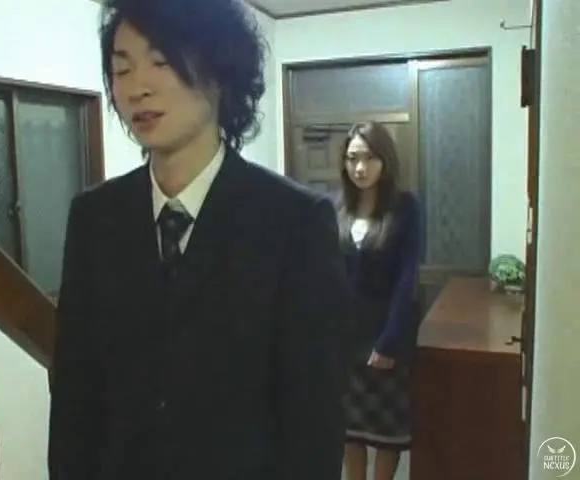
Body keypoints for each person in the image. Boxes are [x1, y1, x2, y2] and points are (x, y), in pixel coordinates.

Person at [47, 0, 352, 479]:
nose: (137, 87)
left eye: (161, 61)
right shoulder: (93, 217)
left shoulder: (294, 221)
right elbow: (74, 396)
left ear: (219, 70)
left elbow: (313, 420)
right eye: (121, 69)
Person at [338, 122, 422, 480]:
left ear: (385, 160)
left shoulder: (405, 207)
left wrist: (389, 342)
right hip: (343, 339)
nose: (360, 167)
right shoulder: (335, 207)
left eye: (369, 158)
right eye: (352, 158)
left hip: (387, 334)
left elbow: (407, 279)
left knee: (387, 434)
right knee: (348, 432)